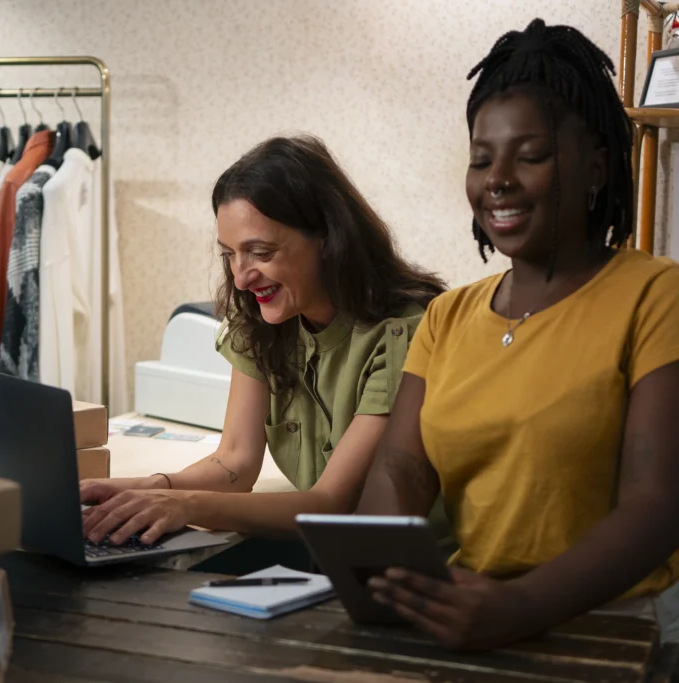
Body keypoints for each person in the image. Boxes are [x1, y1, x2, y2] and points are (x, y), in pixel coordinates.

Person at [358, 19, 679, 650]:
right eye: (481, 159)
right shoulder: (447, 316)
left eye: (530, 156)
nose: (497, 179)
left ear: (595, 169)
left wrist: (523, 605)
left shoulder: (656, 296)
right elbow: (401, 469)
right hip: (477, 618)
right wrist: (378, 573)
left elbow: (658, 505)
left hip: (622, 628)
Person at [81, 135, 445, 549]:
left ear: (328, 238)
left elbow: (331, 503)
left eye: (260, 252)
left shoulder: (404, 334)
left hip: (412, 566)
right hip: (334, 555)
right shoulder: (265, 322)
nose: (240, 278)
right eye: (229, 255)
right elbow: (234, 462)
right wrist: (140, 489)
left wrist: (181, 504)